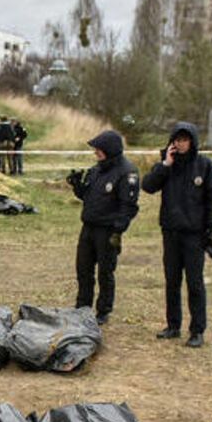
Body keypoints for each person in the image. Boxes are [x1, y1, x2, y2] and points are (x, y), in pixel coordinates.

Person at [141, 122, 212, 348]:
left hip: (194, 235)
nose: (181, 143)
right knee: (172, 281)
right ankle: (173, 325)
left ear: (192, 141)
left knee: (195, 283)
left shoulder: (205, 166)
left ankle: (197, 330)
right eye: (177, 140)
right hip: (170, 232)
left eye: (185, 139)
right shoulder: (168, 165)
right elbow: (147, 186)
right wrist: (165, 165)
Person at [67, 130, 139, 325]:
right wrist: (77, 186)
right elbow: (88, 197)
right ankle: (83, 306)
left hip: (108, 230)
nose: (96, 152)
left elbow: (128, 206)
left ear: (110, 150)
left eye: (99, 149)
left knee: (105, 272)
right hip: (89, 227)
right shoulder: (96, 170)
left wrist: (118, 230)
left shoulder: (126, 172)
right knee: (83, 269)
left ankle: (103, 310)